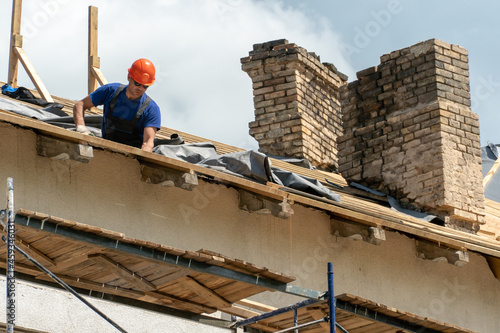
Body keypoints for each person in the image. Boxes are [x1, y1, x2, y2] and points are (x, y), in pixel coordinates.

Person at [73, 58, 161, 152]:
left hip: (132, 157)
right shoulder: (111, 91)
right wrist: (81, 128)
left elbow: (148, 143)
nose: (141, 88)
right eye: (137, 83)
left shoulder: (151, 109)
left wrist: (141, 160)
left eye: (145, 86)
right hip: (105, 150)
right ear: (129, 77)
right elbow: (80, 105)